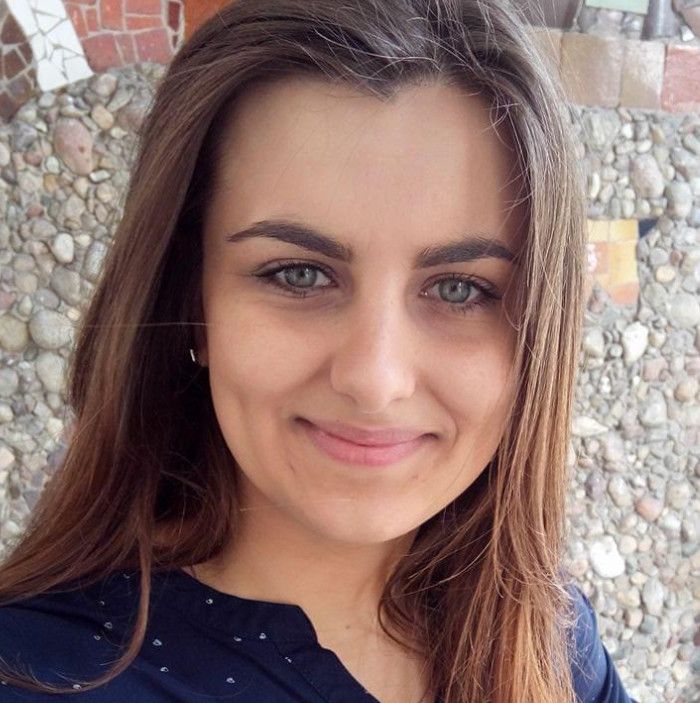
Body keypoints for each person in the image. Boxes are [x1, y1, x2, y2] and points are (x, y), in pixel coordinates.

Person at [0, 1, 638, 701]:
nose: (374, 378)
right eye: (299, 274)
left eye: (460, 288)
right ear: (191, 300)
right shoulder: (43, 675)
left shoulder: (552, 638)